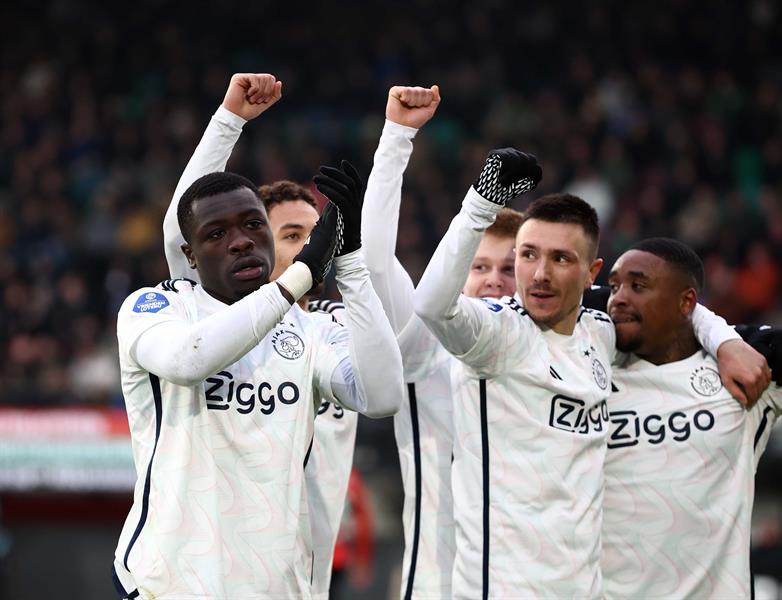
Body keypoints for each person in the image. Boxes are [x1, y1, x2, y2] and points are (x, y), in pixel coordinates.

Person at [412, 151, 767, 598]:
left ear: (591, 274)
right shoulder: (495, 333)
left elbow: (670, 305)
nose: (539, 274)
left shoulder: (599, 329)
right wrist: (480, 202)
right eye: (528, 255)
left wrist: (724, 339)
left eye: (560, 259)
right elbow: (430, 306)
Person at [112, 165, 404, 599]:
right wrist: (299, 274)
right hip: (168, 584)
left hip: (274, 587)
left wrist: (351, 261)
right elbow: (187, 360)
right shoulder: (155, 308)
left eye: (253, 225)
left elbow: (383, 396)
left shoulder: (311, 330)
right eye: (216, 234)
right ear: (190, 255)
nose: (242, 240)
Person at [600, 237, 782, 599]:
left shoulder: (748, 377)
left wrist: (724, 341)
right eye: (614, 286)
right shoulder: (584, 374)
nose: (618, 298)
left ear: (686, 303)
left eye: (638, 285)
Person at [159, 73, 358, 599]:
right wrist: (228, 123)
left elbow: (382, 388)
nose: (305, 250)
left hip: (300, 580)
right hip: (207, 578)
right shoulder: (198, 314)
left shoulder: (337, 330)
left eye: (316, 237)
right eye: (290, 235)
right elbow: (182, 228)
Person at [360, 85, 525, 598]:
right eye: (478, 267)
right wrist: (397, 138)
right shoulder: (424, 339)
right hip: (439, 585)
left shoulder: (553, 351)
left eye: (509, 267)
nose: (495, 279)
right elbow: (375, 260)